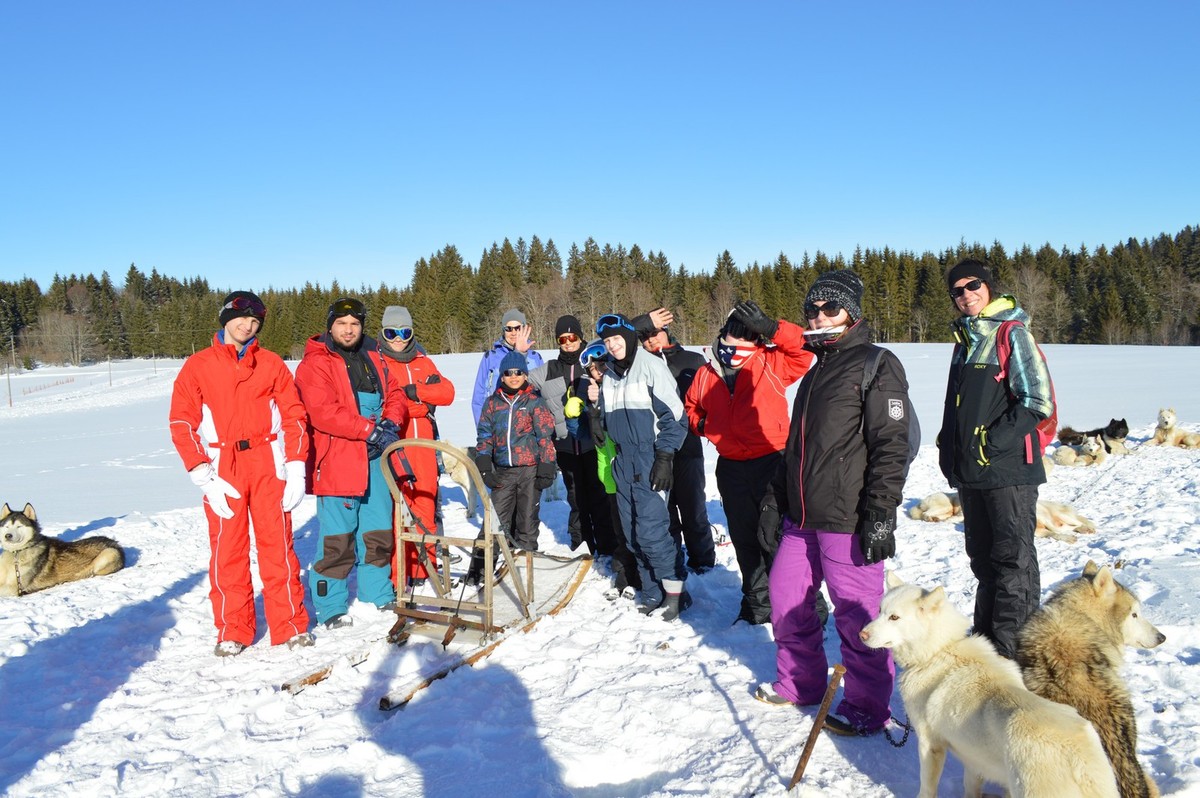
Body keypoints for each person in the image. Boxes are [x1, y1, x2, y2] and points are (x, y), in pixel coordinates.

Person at [757, 270, 912, 738]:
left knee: (858, 618)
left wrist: (881, 514)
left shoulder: (876, 364)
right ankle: (799, 683)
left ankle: (868, 705)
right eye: (812, 308)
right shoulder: (816, 369)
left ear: (852, 313)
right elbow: (799, 448)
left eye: (830, 308)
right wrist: (776, 498)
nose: (819, 316)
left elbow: (892, 444)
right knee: (786, 602)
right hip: (802, 517)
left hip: (849, 518)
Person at [169, 291, 312, 656]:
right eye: (241, 318)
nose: (247, 326)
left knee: (278, 547)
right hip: (223, 467)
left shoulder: (271, 363)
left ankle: (290, 624)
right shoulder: (198, 365)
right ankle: (234, 628)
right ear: (225, 319)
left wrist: (295, 466)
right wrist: (203, 473)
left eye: (254, 321)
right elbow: (182, 420)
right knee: (227, 551)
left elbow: (294, 415)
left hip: (267, 461)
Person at [938, 259, 1053, 660]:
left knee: (1012, 565)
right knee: (984, 564)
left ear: (988, 287)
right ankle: (987, 648)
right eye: (957, 290)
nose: (966, 295)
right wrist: (948, 448)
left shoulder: (1011, 333)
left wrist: (991, 443)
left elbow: (1037, 401)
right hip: (973, 472)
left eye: (973, 286)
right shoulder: (966, 339)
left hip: (1008, 472)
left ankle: (1012, 658)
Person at [684, 300, 814, 624]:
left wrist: (771, 327)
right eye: (734, 333)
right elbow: (691, 407)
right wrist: (703, 427)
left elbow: (805, 350)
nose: (738, 342)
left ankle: (802, 608)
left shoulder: (771, 362)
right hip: (731, 467)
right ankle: (757, 607)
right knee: (744, 539)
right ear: (723, 334)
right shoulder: (706, 371)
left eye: (748, 334)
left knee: (776, 538)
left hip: (773, 461)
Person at [294, 297, 408, 629]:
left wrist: (390, 424)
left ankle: (377, 592)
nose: (348, 330)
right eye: (342, 324)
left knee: (377, 530)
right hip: (339, 459)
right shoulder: (315, 363)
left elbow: (397, 394)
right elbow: (322, 410)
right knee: (338, 537)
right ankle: (331, 606)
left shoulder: (375, 357)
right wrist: (369, 431)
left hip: (376, 457)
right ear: (330, 326)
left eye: (355, 324)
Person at [594, 313, 689, 621]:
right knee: (631, 532)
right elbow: (609, 417)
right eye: (607, 341)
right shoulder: (609, 375)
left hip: (649, 457)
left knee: (651, 532)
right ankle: (651, 591)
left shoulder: (650, 367)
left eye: (616, 338)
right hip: (622, 459)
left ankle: (676, 594)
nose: (612, 344)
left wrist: (664, 457)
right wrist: (597, 421)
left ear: (629, 337)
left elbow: (675, 418)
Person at [377, 305, 456, 590]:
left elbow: (447, 393)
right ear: (383, 332)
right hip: (394, 443)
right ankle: (400, 576)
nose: (398, 338)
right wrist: (420, 404)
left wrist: (416, 392)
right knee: (399, 511)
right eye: (391, 332)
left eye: (404, 332)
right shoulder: (378, 361)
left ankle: (425, 569)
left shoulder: (423, 361)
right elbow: (387, 403)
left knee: (425, 505)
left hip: (423, 444)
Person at [632, 308, 716, 574]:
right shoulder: (638, 366)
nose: (650, 340)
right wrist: (642, 324)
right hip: (656, 451)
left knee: (693, 509)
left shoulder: (693, 361)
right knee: (665, 512)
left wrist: (705, 425)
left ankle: (703, 561)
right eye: (644, 336)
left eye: (654, 332)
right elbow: (614, 339)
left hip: (688, 448)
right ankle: (673, 558)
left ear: (666, 329)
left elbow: (713, 399)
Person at [528, 314, 617, 555]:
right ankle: (582, 545)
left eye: (572, 337)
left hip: (594, 446)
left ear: (579, 337)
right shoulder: (548, 370)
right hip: (565, 447)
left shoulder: (591, 362)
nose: (568, 342)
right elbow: (517, 384)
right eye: (562, 338)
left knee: (600, 497)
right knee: (576, 500)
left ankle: (608, 546)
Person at [566, 340, 642, 599]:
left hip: (632, 469)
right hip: (608, 474)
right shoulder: (589, 394)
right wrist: (576, 416)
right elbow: (585, 435)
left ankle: (644, 572)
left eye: (602, 365)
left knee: (640, 524)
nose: (598, 371)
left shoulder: (623, 388)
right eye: (594, 369)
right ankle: (625, 572)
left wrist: (601, 406)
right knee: (619, 527)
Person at [471, 351, 558, 574]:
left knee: (527, 522)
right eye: (508, 373)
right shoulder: (492, 404)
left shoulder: (535, 402)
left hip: (530, 471)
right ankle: (480, 570)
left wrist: (547, 466)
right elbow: (484, 436)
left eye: (518, 372)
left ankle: (524, 570)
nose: (513, 377)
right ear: (501, 376)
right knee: (493, 522)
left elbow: (545, 436)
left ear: (525, 375)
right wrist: (483, 464)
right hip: (503, 472)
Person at [471, 308, 545, 426]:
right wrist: (484, 432)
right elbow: (479, 398)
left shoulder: (535, 358)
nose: (513, 333)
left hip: (529, 426)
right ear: (503, 330)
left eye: (518, 328)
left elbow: (543, 396)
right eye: (508, 329)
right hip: (499, 424)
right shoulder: (491, 357)